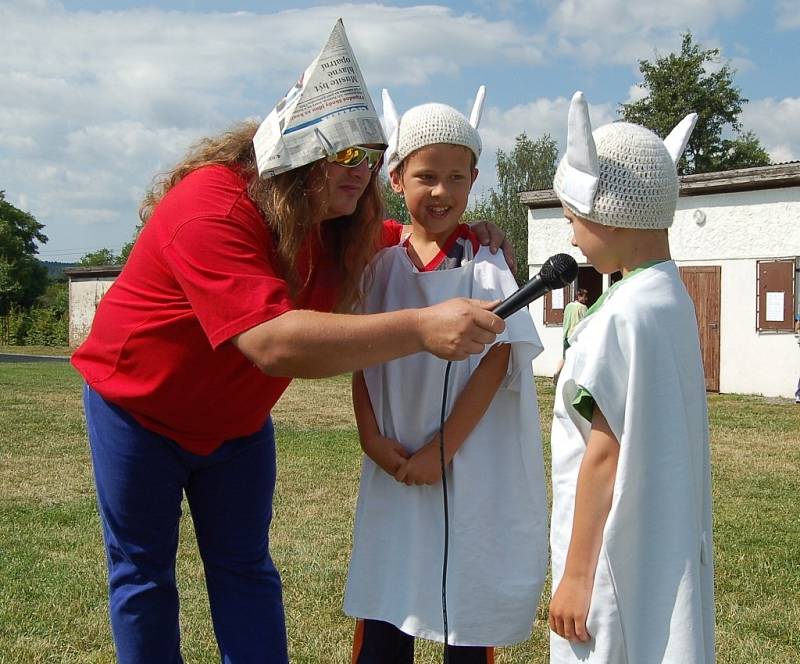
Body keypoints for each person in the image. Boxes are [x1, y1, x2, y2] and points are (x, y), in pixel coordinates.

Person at [70, 21, 513, 664]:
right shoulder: (212, 206)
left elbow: (408, 235)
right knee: (142, 574)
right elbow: (275, 342)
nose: (358, 172)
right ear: (296, 151)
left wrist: (469, 229)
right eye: (343, 153)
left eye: (368, 156)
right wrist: (420, 327)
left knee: (244, 568)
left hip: (237, 425)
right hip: (138, 409)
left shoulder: (341, 225)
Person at [344, 88, 548, 663]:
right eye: (427, 176)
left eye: (457, 177)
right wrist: (371, 438)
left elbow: (499, 360)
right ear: (396, 178)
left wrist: (442, 451)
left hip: (463, 465)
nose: (442, 192)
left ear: (474, 179)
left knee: (463, 606)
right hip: (391, 460)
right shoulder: (378, 264)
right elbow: (360, 356)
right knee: (388, 602)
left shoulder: (485, 264)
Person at [547, 92, 715, 663]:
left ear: (609, 213)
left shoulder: (620, 315)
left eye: (572, 220)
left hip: (606, 557)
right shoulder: (668, 296)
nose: (570, 237)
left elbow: (603, 451)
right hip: (658, 537)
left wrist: (575, 576)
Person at [553, 288, 589, 384]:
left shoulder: (568, 306)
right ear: (579, 296)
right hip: (575, 338)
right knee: (575, 358)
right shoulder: (583, 308)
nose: (586, 299)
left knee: (564, 357)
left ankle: (557, 374)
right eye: (585, 296)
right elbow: (586, 321)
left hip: (566, 336)